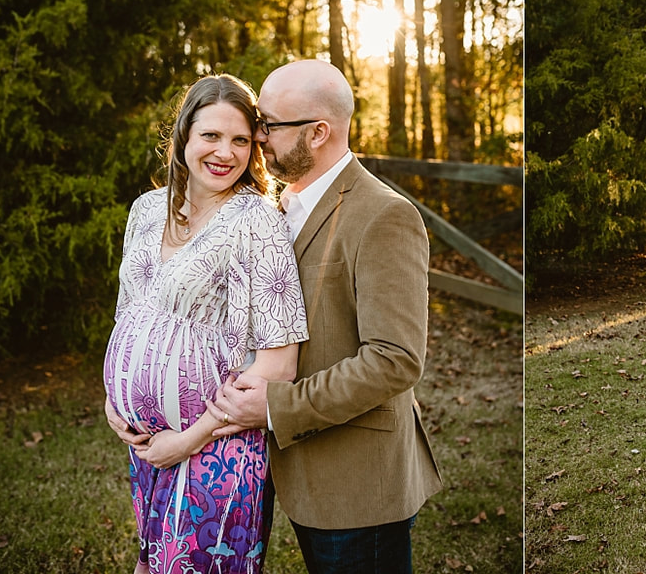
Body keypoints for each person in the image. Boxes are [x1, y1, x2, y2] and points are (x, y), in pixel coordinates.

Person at [206, 59, 442, 574]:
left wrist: (275, 408)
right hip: (283, 470)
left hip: (356, 480)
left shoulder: (383, 215)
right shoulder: (273, 206)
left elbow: (395, 360)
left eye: (269, 125)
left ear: (318, 132)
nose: (258, 137)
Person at [102, 73, 309, 574]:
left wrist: (189, 438)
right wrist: (113, 399)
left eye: (240, 139)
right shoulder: (146, 210)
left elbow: (278, 365)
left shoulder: (256, 219)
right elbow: (128, 313)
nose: (226, 152)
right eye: (211, 136)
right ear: (184, 137)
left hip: (217, 448)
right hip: (147, 446)